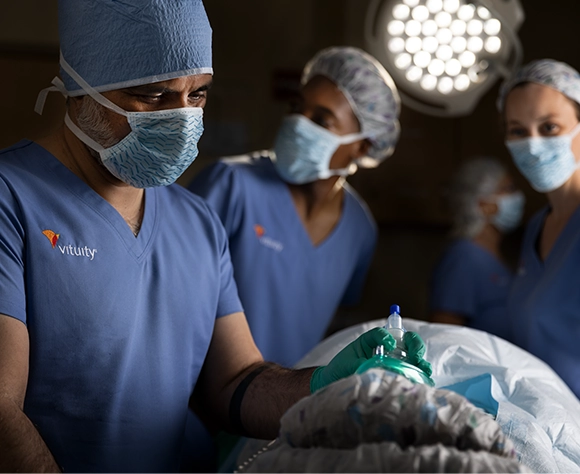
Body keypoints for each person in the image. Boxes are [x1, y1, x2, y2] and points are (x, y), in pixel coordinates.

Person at [0, 1, 431, 472]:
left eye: (198, 95)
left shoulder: (197, 222)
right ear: (81, 88)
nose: (181, 118)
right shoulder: (13, 198)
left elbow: (236, 383)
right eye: (154, 95)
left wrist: (328, 386)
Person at [188, 46, 401, 368]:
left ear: (363, 144)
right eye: (297, 107)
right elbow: (171, 295)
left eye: (321, 119)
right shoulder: (232, 185)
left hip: (289, 408)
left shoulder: (359, 228)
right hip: (199, 404)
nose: (298, 123)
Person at [497, 59, 580, 398]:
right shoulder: (535, 228)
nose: (532, 144)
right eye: (518, 131)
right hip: (546, 430)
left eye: (549, 128)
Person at [429, 157, 525, 340]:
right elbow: (444, 334)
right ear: (483, 204)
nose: (518, 196)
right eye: (508, 189)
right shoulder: (463, 258)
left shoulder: (495, 258)